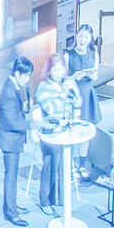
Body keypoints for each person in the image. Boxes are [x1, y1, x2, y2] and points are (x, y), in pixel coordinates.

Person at [35, 57, 80, 216]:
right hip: (50, 133)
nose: (59, 73)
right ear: (49, 71)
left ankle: (63, 199)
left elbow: (78, 104)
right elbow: (50, 109)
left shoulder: (66, 83)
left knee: (64, 167)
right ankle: (46, 201)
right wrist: (63, 93)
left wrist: (74, 93)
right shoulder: (43, 87)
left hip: (66, 131)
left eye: (61, 69)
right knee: (50, 168)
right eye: (55, 70)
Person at [0, 57, 35, 226]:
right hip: (9, 141)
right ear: (17, 73)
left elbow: (14, 113)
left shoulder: (13, 86)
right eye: (26, 75)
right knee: (10, 178)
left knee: (12, 177)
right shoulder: (10, 91)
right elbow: (12, 122)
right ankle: (11, 213)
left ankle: (11, 206)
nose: (28, 79)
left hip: (11, 140)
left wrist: (24, 108)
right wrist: (34, 124)